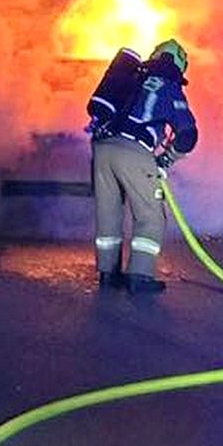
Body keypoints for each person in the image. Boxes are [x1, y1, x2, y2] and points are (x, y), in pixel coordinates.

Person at [87, 39, 198, 294]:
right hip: (134, 151)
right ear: (180, 63)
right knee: (150, 216)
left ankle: (107, 273)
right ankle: (139, 276)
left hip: (102, 148)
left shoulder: (133, 76)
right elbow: (188, 136)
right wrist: (166, 160)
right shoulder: (170, 87)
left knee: (109, 213)